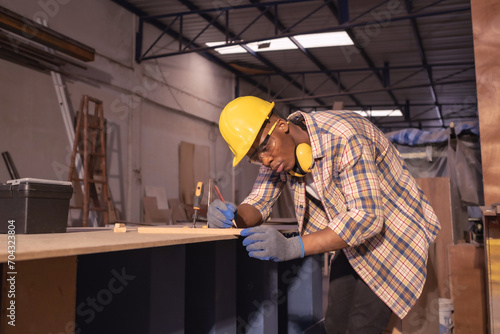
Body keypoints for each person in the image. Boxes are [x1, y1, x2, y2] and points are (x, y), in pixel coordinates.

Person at [207, 96, 440, 333]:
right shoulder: (277, 154)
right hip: (353, 239)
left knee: (362, 326)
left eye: (265, 148)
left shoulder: (343, 136)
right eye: (256, 158)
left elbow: (367, 217)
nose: (265, 159)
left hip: (394, 233)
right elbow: (259, 200)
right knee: (336, 324)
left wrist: (292, 247)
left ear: (281, 125)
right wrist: (232, 217)